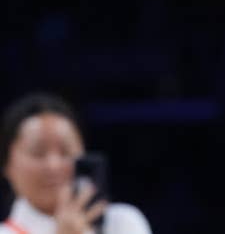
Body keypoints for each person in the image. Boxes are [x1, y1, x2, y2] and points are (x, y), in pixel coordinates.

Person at [1, 94, 151, 234]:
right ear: (7, 164)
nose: (53, 166)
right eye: (38, 153)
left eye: (66, 151)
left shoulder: (121, 223)